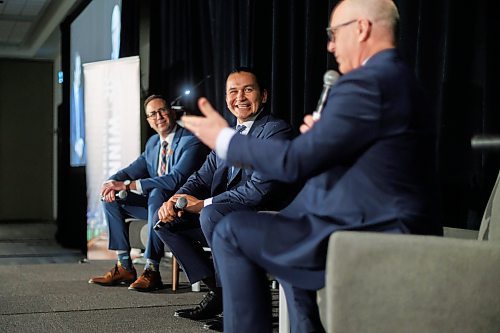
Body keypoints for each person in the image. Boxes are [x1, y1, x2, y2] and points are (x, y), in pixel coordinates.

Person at [181, 0, 443, 332]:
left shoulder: (366, 82)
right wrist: (322, 139)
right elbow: (370, 159)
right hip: (372, 215)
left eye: (334, 34)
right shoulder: (398, 79)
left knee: (232, 231)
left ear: (362, 28)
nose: (331, 45)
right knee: (287, 241)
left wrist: (224, 139)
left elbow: (292, 162)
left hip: (375, 227)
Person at [154, 68, 295, 331]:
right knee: (165, 222)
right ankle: (219, 292)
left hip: (265, 217)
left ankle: (236, 302)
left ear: (263, 96)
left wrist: (204, 204)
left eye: (248, 90)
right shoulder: (227, 135)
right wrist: (174, 200)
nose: (239, 97)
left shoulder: (275, 131)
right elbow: (200, 177)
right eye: (233, 91)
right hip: (227, 217)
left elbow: (258, 192)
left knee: (211, 213)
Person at [89, 95, 208, 292]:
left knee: (157, 192)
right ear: (148, 120)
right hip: (156, 209)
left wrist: (127, 185)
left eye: (162, 110)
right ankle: (124, 266)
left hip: (182, 209)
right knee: (110, 199)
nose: (158, 116)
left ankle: (152, 269)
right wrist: (110, 182)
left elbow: (175, 179)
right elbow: (131, 169)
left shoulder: (190, 141)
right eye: (152, 114)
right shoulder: (153, 143)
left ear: (171, 111)